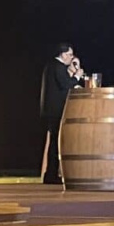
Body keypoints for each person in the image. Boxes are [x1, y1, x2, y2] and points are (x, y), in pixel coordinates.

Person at [38, 43, 84, 184]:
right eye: (70, 55)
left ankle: (51, 174)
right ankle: (51, 174)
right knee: (55, 142)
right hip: (55, 110)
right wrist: (77, 75)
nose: (72, 57)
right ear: (63, 55)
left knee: (54, 141)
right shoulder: (57, 67)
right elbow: (65, 84)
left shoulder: (53, 66)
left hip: (51, 109)